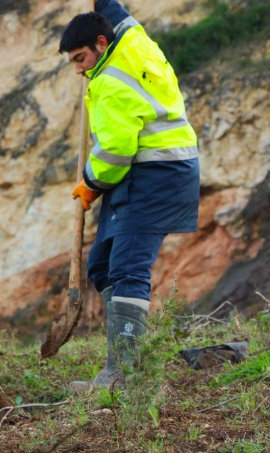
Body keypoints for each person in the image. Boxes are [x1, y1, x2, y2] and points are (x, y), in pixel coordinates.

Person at [59, 1, 200, 389]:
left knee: (126, 269)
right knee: (101, 266)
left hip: (155, 173)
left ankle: (123, 374)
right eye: (72, 61)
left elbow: (115, 153)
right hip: (147, 171)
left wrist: (89, 183)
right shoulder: (132, 39)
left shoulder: (110, 83)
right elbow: (113, 11)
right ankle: (137, 347)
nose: (79, 69)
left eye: (81, 58)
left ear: (102, 43)